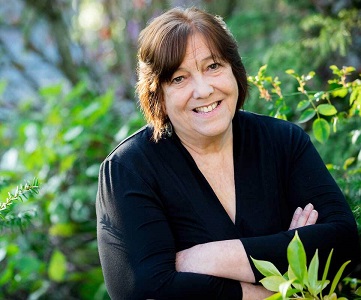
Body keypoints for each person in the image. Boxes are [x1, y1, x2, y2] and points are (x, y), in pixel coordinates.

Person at [96, 6, 360, 300]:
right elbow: (142, 290)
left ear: (234, 70)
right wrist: (280, 280)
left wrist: (207, 258)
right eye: (179, 78)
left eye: (213, 66)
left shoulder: (283, 142)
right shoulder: (130, 169)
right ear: (157, 93)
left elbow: (344, 241)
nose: (203, 90)